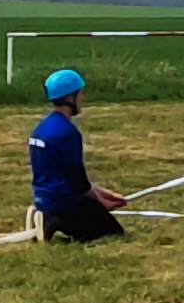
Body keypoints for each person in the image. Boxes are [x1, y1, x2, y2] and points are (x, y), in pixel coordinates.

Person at [28, 67, 132, 242]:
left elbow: (65, 175)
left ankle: (48, 217)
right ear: (70, 98)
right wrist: (102, 203)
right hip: (65, 203)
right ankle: (53, 221)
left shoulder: (42, 128)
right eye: (81, 94)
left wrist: (106, 194)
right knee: (114, 233)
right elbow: (78, 181)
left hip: (44, 199)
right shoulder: (67, 133)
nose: (83, 98)